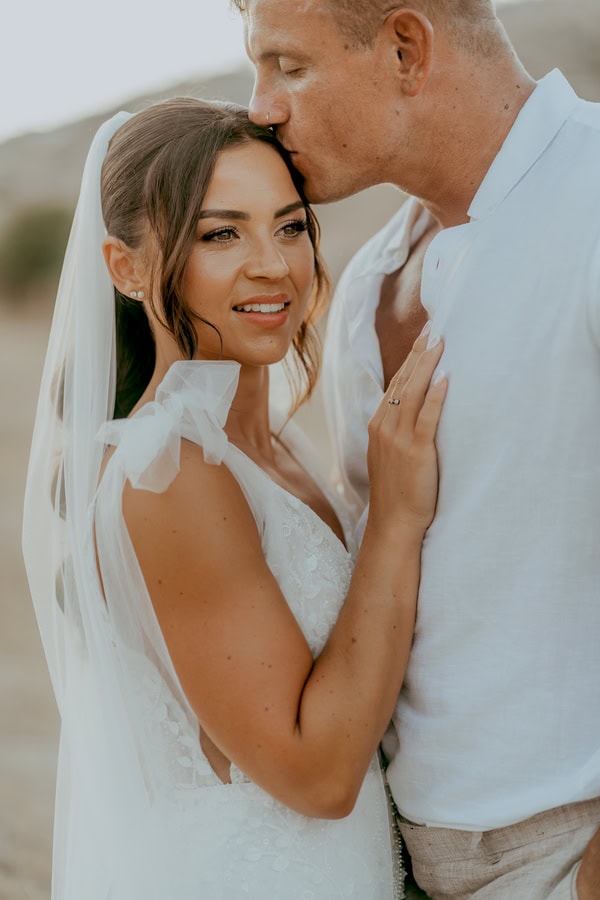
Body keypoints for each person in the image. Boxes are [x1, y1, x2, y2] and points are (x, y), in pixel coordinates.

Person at [22, 97, 447, 899]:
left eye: (289, 226)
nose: (274, 265)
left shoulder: (267, 442)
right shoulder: (171, 473)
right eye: (222, 234)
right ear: (126, 268)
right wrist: (393, 518)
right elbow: (317, 775)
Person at [233, 1, 600, 898]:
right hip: (397, 856)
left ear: (406, 48)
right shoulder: (364, 287)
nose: (261, 107)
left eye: (287, 65)